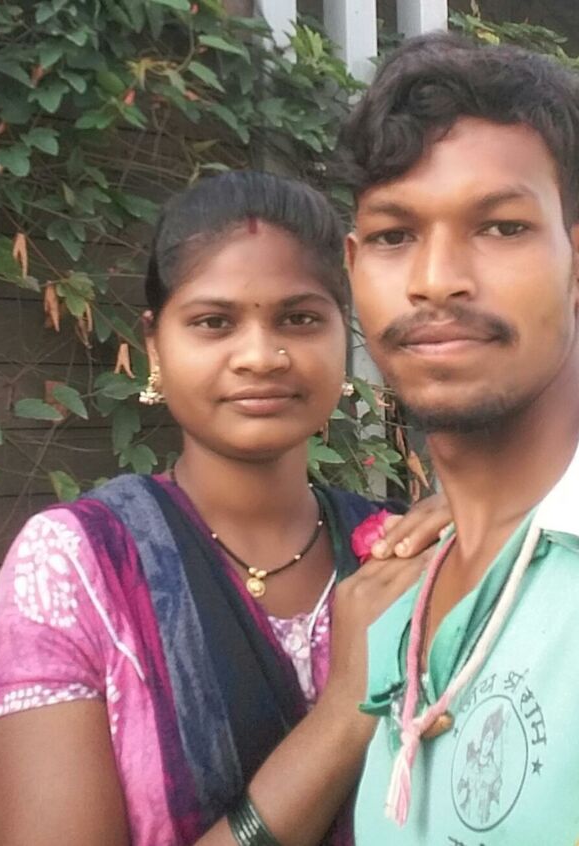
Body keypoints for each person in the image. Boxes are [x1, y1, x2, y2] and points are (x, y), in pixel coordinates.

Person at [0, 171, 449, 846]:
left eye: (300, 318)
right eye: (213, 322)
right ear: (154, 345)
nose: (260, 356)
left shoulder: (405, 553)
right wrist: (344, 714)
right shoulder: (76, 568)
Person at [341, 31, 579, 845]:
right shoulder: (400, 600)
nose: (437, 279)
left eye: (502, 227)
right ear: (352, 268)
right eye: (393, 235)